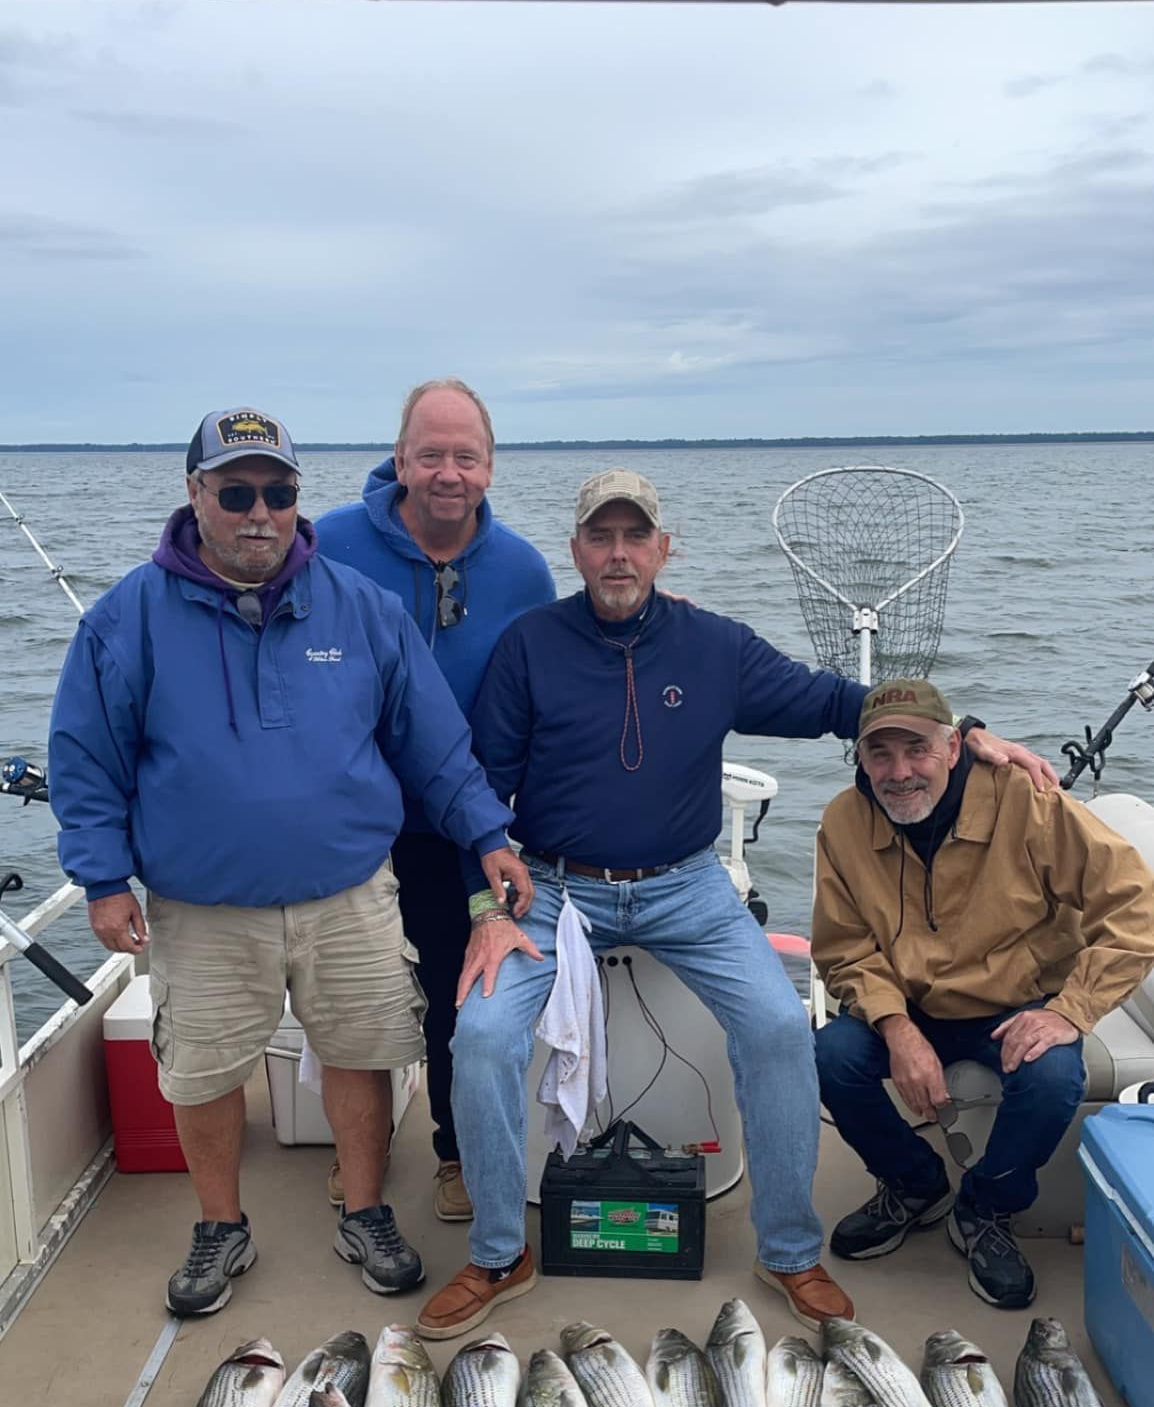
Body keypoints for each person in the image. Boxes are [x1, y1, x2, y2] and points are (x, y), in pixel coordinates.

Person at [413, 471, 1053, 1343]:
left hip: (687, 885)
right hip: (553, 886)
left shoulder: (714, 645)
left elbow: (837, 701)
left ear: (663, 549)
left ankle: (788, 1250)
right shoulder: (529, 645)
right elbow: (478, 791)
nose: (618, 554)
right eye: (600, 537)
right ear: (576, 552)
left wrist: (965, 731)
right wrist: (488, 907)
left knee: (781, 1029)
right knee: (481, 1038)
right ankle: (496, 1253)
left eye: (636, 536)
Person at [48, 407, 531, 1318]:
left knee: (362, 1051)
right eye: (236, 492)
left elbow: (434, 743)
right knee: (205, 1069)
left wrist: (487, 836)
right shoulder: (127, 619)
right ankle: (220, 1226)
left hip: (348, 892)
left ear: (298, 499)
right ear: (196, 496)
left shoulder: (361, 607)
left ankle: (367, 1206)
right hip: (201, 903)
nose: (258, 512)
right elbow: (85, 758)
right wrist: (103, 879)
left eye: (278, 492)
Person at [812, 678, 1154, 1309]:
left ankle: (986, 1208)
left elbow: (1136, 901)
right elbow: (844, 947)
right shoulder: (842, 822)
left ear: (953, 748)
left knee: (1053, 1077)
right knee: (829, 1054)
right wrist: (895, 1026)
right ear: (860, 760)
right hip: (909, 1002)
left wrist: (1069, 1012)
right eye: (880, 754)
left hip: (1016, 1001)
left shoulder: (1027, 800)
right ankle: (913, 1183)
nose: (900, 772)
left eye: (916, 750)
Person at [314, 379, 554, 1223]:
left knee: (463, 986)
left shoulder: (523, 568)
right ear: (400, 458)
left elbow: (556, 670)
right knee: (361, 995)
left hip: (471, 825)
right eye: (431, 453)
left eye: (467, 455)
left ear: (490, 464)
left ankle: (455, 1150)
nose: (448, 472)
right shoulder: (332, 543)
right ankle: (362, 1152)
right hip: (358, 817)